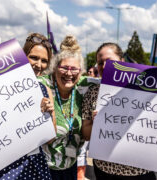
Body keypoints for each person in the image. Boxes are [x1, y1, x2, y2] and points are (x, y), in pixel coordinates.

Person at [81, 42, 157, 180]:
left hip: (141, 170)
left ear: (122, 61)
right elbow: (85, 134)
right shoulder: (93, 93)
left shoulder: (149, 89)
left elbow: (156, 125)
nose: (104, 66)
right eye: (100, 63)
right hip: (106, 170)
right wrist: (97, 124)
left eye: (109, 61)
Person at [0, 33, 55, 179]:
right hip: (1, 164)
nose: (39, 64)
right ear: (23, 57)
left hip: (32, 165)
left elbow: (50, 139)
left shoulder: (44, 90)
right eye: (34, 57)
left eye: (44, 60)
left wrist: (49, 113)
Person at [38, 35, 95, 180]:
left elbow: (113, 84)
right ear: (55, 68)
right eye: (64, 68)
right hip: (42, 168)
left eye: (74, 69)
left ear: (81, 71)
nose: (69, 73)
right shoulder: (41, 85)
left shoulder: (84, 88)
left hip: (70, 167)